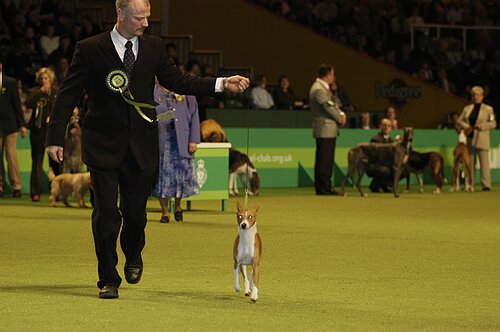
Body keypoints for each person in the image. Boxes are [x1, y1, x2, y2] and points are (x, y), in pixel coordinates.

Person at [45, 0, 249, 300]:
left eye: (148, 17)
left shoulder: (153, 47)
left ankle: (133, 253)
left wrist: (221, 83)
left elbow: (179, 80)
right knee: (105, 214)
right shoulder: (89, 48)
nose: (145, 23)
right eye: (139, 17)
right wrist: (55, 136)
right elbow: (68, 94)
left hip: (141, 145)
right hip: (102, 143)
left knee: (136, 216)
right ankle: (107, 278)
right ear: (121, 14)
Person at [152, 84, 200, 223]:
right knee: (163, 178)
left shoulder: (187, 93)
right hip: (162, 141)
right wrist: (165, 117)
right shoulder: (152, 91)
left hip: (183, 141)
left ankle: (178, 207)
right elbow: (148, 116)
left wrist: (194, 140)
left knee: (181, 175)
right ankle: (165, 212)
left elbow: (194, 117)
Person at [310, 64, 346, 195]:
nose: (333, 77)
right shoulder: (319, 89)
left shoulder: (325, 88)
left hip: (328, 129)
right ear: (327, 75)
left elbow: (336, 103)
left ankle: (325, 186)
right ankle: (323, 187)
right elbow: (328, 107)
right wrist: (340, 118)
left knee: (327, 159)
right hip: (324, 128)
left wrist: (341, 113)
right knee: (324, 160)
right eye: (332, 74)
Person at [25, 67, 60, 202]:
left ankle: (59, 192)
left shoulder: (57, 91)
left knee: (56, 161)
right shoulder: (33, 91)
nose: (44, 80)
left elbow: (62, 107)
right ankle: (35, 192)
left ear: (51, 79)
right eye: (41, 78)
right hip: (37, 132)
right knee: (37, 161)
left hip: (53, 132)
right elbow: (28, 103)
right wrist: (40, 92)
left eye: (46, 78)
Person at [457, 86, 496, 191]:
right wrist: (467, 127)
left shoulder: (488, 109)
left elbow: (493, 123)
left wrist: (482, 126)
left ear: (482, 96)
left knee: (484, 163)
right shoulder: (467, 108)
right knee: (470, 163)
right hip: (470, 138)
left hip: (482, 137)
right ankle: (470, 184)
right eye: (474, 95)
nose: (476, 97)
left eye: (478, 95)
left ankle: (486, 185)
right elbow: (459, 121)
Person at [0, 59, 27, 198]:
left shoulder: (10, 82)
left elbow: (16, 104)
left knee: (11, 156)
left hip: (10, 125)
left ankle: (16, 186)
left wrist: (22, 124)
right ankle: (0, 186)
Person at [366, 118, 394, 193]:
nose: (386, 127)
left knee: (401, 170)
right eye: (384, 125)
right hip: (373, 165)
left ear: (391, 128)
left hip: (386, 164)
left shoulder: (391, 140)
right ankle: (374, 185)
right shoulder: (375, 139)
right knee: (385, 170)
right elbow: (377, 156)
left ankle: (385, 185)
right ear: (380, 127)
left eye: (388, 126)